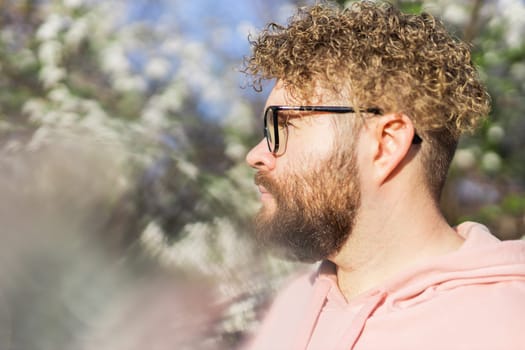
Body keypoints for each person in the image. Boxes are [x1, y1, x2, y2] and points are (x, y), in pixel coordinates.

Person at [242, 1, 525, 349]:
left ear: (386, 143)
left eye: (283, 124)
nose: (255, 155)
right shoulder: (292, 307)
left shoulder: (505, 327)